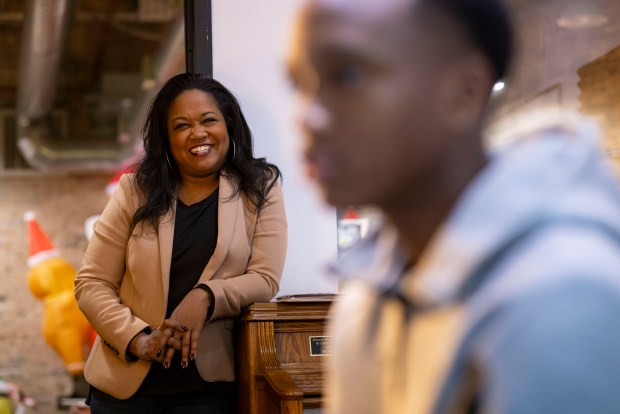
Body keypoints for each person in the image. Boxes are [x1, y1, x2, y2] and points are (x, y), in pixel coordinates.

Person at [287, 0, 620, 413]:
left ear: (465, 92)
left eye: (348, 75)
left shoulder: (560, 294)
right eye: (299, 83)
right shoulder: (369, 298)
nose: (308, 117)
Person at [74, 73, 287, 413]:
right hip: (122, 390)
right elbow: (91, 283)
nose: (198, 133)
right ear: (167, 138)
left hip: (206, 388)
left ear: (228, 125)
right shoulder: (135, 190)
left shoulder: (260, 188)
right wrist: (137, 339)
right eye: (182, 125)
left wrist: (205, 297)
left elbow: (265, 278)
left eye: (208, 120)